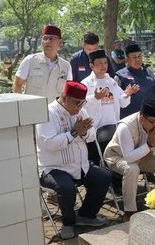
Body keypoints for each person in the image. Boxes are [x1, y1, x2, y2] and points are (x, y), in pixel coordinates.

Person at [37, 81, 111, 239]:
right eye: (77, 103)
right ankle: (68, 223)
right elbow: (49, 143)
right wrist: (73, 133)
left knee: (103, 177)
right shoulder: (48, 113)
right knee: (67, 188)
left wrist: (83, 133)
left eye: (82, 102)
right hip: (54, 167)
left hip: (79, 164)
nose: (80, 107)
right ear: (64, 98)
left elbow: (92, 135)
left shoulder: (81, 111)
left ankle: (86, 215)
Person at [104, 99, 155, 221]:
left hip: (142, 155)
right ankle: (129, 211)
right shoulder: (125, 127)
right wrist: (149, 145)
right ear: (142, 118)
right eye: (153, 122)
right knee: (132, 168)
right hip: (117, 156)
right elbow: (129, 157)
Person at [81, 49, 140, 165]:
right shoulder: (86, 83)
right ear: (91, 66)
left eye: (105, 63)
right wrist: (95, 98)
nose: (103, 66)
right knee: (98, 159)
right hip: (96, 129)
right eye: (99, 63)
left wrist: (127, 94)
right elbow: (81, 105)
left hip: (113, 126)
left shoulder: (110, 81)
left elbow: (122, 102)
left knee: (114, 157)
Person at [13, 25, 72, 103]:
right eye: (45, 38)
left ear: (60, 42)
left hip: (54, 113)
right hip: (32, 110)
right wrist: (21, 106)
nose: (47, 41)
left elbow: (67, 93)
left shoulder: (66, 66)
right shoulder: (30, 60)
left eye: (51, 38)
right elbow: (17, 85)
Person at [115, 44, 155, 119]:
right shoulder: (120, 76)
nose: (137, 59)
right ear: (127, 59)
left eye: (139, 56)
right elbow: (116, 99)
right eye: (134, 57)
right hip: (130, 117)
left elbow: (153, 93)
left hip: (149, 116)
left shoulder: (149, 73)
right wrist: (128, 93)